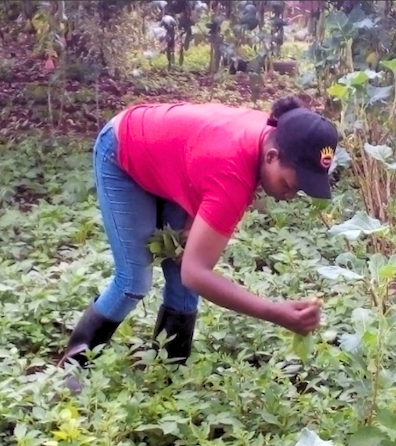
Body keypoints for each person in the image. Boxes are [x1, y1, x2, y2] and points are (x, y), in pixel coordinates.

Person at [57, 96, 339, 392]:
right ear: (271, 156)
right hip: (124, 149)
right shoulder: (233, 175)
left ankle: (169, 373)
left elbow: (200, 157)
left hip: (173, 159)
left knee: (181, 273)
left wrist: (194, 214)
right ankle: (72, 367)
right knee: (133, 281)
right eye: (291, 185)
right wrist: (273, 312)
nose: (290, 196)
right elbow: (197, 272)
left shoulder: (272, 133)